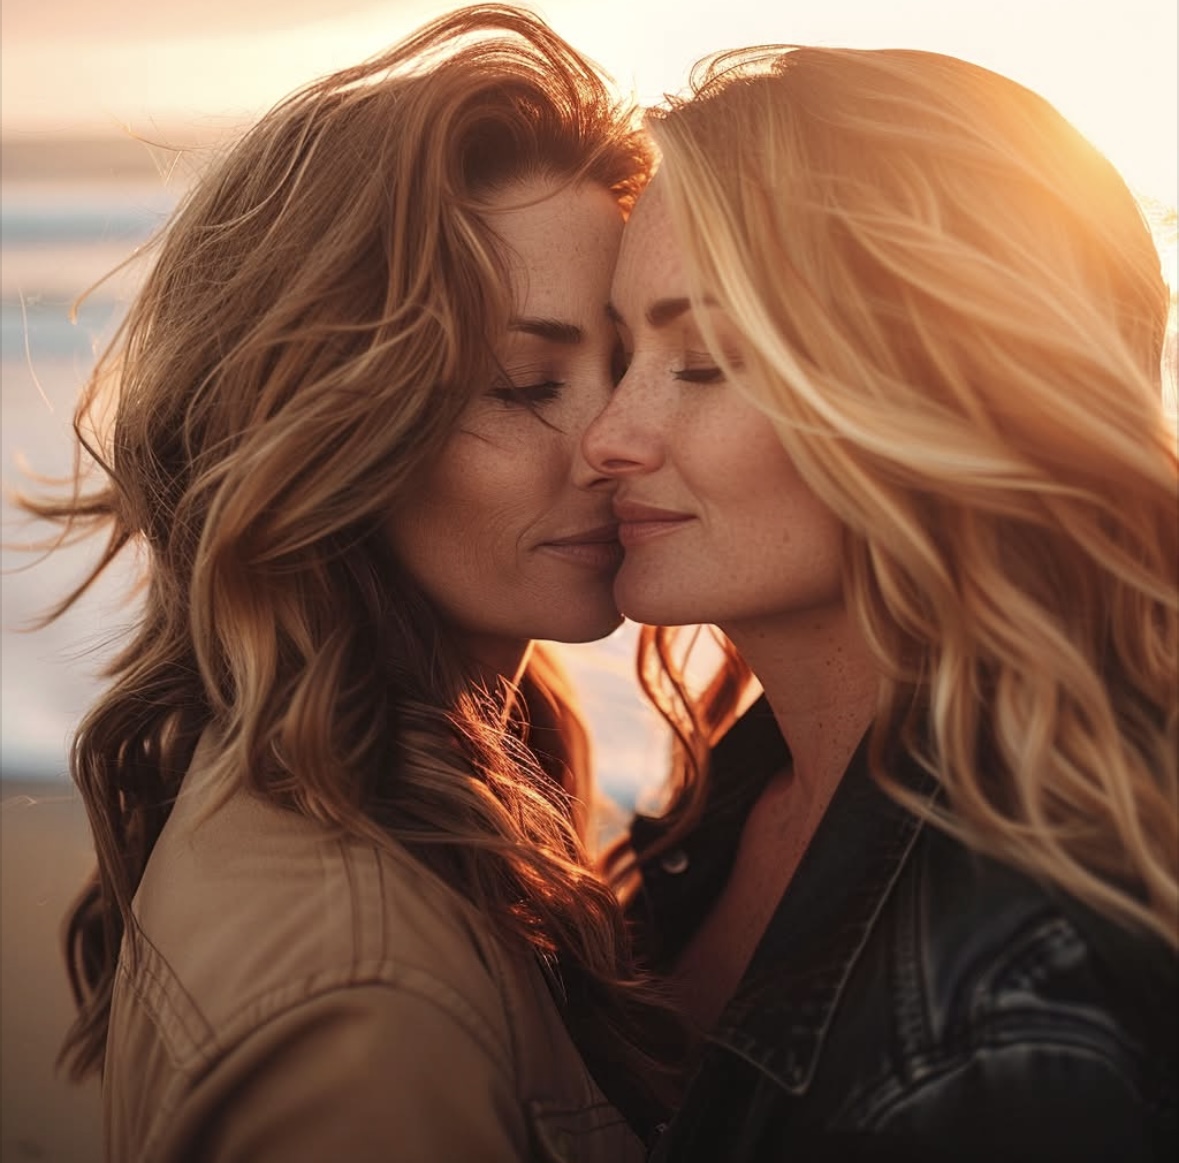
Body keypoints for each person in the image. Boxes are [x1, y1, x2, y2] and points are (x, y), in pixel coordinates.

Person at [18, 6, 678, 1159]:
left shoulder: (432, 770)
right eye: (525, 384)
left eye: (629, 362)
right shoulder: (365, 999)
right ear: (329, 429)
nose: (614, 437)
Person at [585, 45, 1179, 1162]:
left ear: (942, 387)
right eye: (620, 354)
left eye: (704, 359)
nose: (607, 435)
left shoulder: (1013, 1004)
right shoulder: (746, 774)